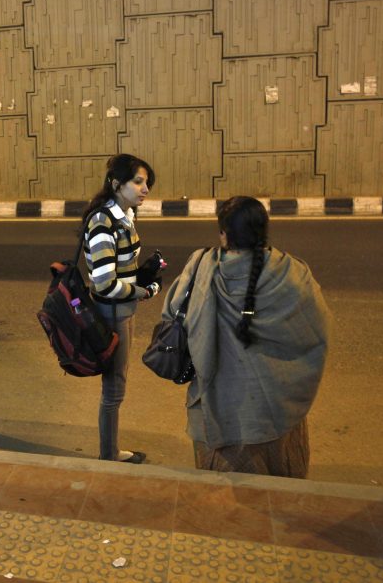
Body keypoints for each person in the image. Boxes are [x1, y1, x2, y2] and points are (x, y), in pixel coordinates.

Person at [159, 196, 330, 477]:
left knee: (224, 502)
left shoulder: (200, 266)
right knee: (278, 496)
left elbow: (173, 315)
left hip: (218, 408)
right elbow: (315, 332)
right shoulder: (292, 271)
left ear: (224, 234)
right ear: (263, 231)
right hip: (275, 413)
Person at [82, 153, 164, 464]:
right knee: (114, 388)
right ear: (117, 184)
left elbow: (118, 267)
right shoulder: (104, 221)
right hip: (113, 312)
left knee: (117, 384)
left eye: (147, 183)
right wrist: (144, 291)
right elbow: (104, 283)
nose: (145, 189)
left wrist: (143, 274)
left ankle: (110, 451)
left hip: (123, 310)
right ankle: (109, 455)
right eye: (138, 182)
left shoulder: (125, 216)